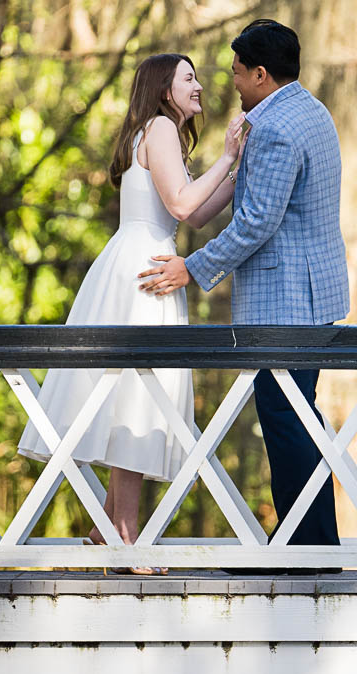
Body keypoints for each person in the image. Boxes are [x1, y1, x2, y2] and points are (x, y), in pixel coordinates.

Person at [18, 53, 249, 564]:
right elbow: (184, 205)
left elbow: (194, 214)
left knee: (135, 396)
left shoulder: (158, 131)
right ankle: (124, 539)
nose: (199, 86)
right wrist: (228, 156)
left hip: (144, 261)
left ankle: (109, 529)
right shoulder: (162, 128)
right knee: (139, 400)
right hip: (146, 274)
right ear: (165, 89)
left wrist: (238, 173)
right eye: (188, 78)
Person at [138, 20, 349, 567]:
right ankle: (305, 544)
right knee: (295, 417)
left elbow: (256, 223)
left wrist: (193, 268)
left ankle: (309, 551)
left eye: (236, 72)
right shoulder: (311, 111)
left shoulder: (274, 129)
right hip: (313, 293)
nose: (230, 81)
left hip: (288, 298)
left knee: (286, 419)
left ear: (260, 73)